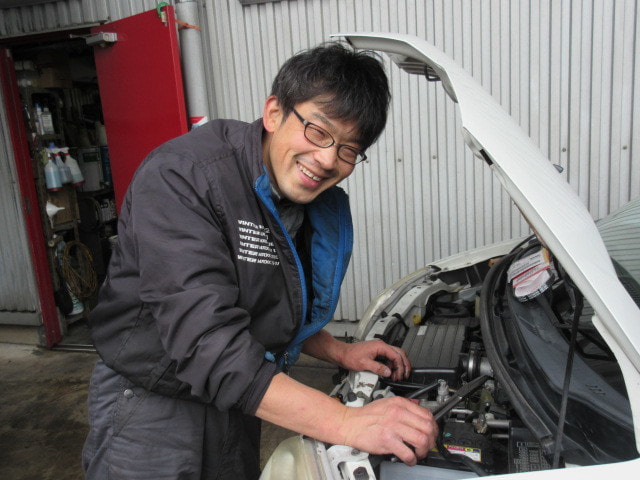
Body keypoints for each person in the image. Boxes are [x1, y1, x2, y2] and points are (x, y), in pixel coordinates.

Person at [82, 43, 438, 479]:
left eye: (349, 149)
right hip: (152, 408)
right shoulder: (183, 176)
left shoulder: (302, 198)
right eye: (318, 131)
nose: (327, 160)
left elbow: (266, 304)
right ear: (274, 113)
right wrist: (346, 422)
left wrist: (339, 351)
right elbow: (205, 341)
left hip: (239, 396)